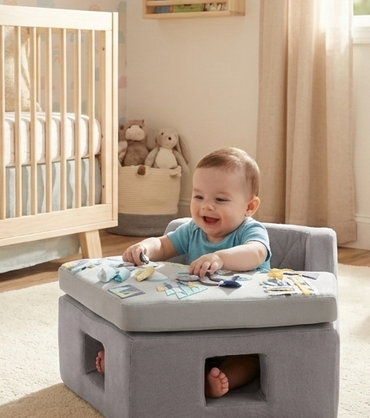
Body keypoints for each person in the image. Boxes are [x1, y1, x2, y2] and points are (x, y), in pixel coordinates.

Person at [96, 147, 271, 398]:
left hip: (242, 325)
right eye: (199, 196)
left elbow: (256, 253)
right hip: (197, 322)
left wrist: (219, 257)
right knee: (162, 340)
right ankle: (123, 363)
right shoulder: (192, 231)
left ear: (249, 207)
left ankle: (220, 382)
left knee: (250, 359)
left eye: (220, 200)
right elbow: (163, 245)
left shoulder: (249, 231)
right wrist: (145, 247)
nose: (207, 206)